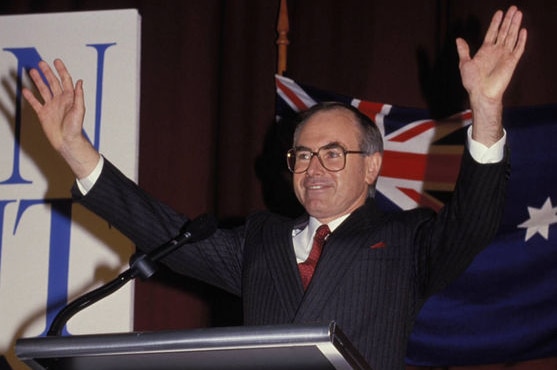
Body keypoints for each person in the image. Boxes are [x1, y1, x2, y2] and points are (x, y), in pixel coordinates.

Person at [22, 5, 526, 370]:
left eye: (333, 153)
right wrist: (73, 148)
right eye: (302, 155)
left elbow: (474, 222)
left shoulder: (405, 240)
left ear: (371, 167)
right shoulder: (260, 242)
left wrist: (484, 109)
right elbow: (165, 232)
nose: (314, 168)